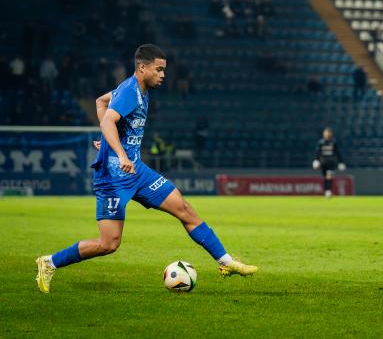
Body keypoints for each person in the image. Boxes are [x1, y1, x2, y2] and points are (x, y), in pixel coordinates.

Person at [35, 44, 257, 294]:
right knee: (109, 244)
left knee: (184, 209)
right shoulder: (129, 91)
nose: (163, 75)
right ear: (142, 68)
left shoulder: (139, 90)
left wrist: (109, 142)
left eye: (164, 70)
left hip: (137, 172)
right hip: (113, 179)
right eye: (159, 69)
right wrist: (118, 152)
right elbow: (108, 120)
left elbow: (101, 102)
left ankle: (226, 262)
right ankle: (49, 262)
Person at [312, 127, 346, 198]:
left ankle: (328, 191)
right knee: (325, 177)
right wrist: (316, 160)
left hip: (331, 162)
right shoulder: (321, 142)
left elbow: (338, 153)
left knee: (329, 176)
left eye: (328, 133)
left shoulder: (334, 142)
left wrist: (341, 162)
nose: (327, 134)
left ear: (331, 134)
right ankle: (326, 191)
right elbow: (317, 152)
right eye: (326, 133)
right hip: (323, 162)